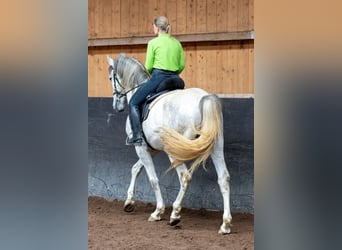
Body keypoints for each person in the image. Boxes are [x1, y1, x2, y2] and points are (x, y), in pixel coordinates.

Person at [126, 16, 185, 146]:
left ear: (157, 28)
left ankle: (136, 136)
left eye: (153, 27)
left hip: (159, 78)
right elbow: (181, 66)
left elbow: (148, 67)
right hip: (177, 80)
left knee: (133, 102)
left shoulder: (153, 43)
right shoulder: (177, 43)